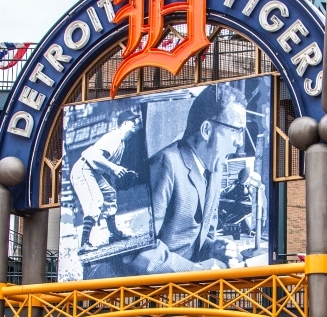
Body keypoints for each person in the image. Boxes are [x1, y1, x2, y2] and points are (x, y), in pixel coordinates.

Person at [132, 84, 249, 274]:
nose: (239, 143)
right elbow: (139, 250)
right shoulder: (165, 164)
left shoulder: (215, 170)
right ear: (206, 130)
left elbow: (200, 238)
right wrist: (195, 271)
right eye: (236, 131)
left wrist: (213, 248)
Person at [70, 115, 139, 250]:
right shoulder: (114, 136)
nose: (135, 126)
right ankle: (84, 243)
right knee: (95, 200)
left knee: (110, 194)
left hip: (94, 171)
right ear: (124, 123)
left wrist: (123, 171)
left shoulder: (122, 144)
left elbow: (109, 167)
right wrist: (114, 168)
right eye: (133, 123)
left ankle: (114, 234)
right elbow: (95, 156)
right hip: (84, 168)